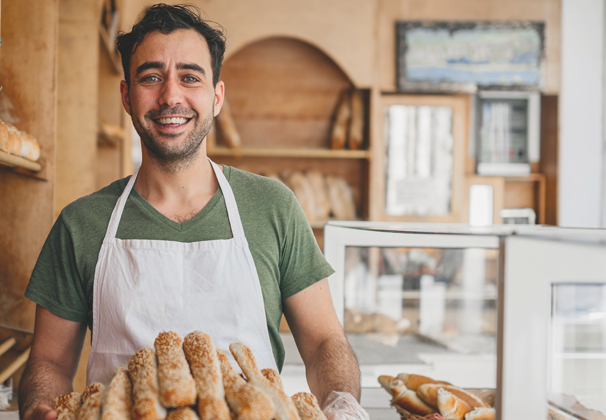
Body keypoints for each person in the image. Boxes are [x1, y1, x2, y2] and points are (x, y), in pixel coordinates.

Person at [18, 4, 362, 420]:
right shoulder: (81, 223)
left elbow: (325, 340)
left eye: (190, 77)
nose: (170, 97)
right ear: (127, 97)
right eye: (150, 77)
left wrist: (343, 407)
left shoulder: (273, 207)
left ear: (216, 96)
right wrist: (38, 409)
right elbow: (50, 361)